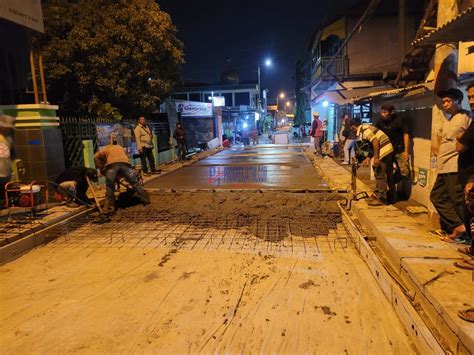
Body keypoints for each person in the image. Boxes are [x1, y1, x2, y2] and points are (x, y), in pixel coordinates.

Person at [430, 88, 471, 241]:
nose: (445, 104)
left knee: (458, 200)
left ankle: (466, 232)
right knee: (437, 197)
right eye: (443, 102)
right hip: (444, 167)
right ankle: (458, 225)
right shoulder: (450, 119)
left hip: (455, 166)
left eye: (449, 101)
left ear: (458, 101)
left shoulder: (465, 117)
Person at [94, 134, 150, 213]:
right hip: (125, 165)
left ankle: (110, 207)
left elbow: (95, 157)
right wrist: (128, 170)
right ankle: (146, 200)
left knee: (110, 187)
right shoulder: (120, 147)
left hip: (112, 166)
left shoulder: (106, 149)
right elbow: (127, 158)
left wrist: (102, 168)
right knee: (135, 183)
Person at [350, 119, 394, 204]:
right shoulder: (365, 129)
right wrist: (369, 158)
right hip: (384, 149)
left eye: (352, 128)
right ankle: (377, 193)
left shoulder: (365, 130)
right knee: (376, 170)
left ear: (353, 126)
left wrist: (376, 157)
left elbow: (375, 141)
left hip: (385, 150)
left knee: (380, 173)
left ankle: (382, 198)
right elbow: (372, 145)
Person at [454, 83, 474, 270]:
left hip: (471, 178)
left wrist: (472, 181)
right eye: (471, 97)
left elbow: (460, 146)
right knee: (468, 213)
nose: (472, 101)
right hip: (467, 175)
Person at [0, 115, 24, 202]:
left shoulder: (8, 138)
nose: (9, 130)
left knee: (5, 196)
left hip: (6, 173)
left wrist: (18, 161)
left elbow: (12, 152)